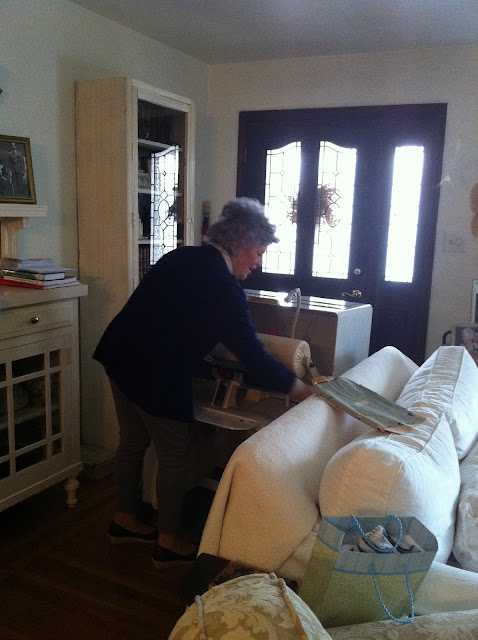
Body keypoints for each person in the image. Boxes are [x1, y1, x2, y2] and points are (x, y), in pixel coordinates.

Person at [93, 197, 313, 569]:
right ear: (240, 244)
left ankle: (124, 520)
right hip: (156, 373)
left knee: (131, 443)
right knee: (174, 458)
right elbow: (253, 355)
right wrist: (300, 389)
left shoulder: (183, 257)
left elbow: (170, 314)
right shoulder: (224, 287)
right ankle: (167, 542)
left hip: (119, 356)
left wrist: (203, 347)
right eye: (259, 252)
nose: (259, 262)